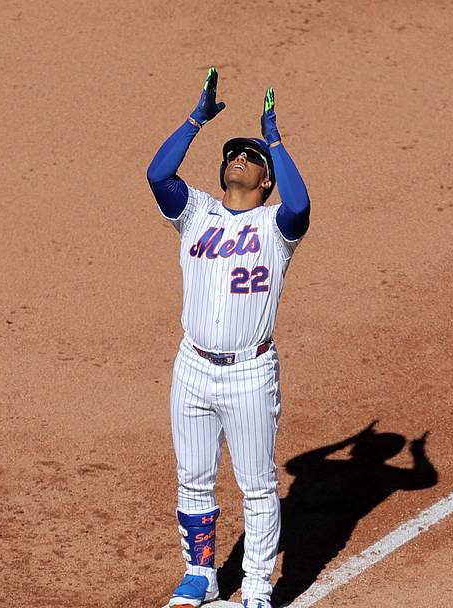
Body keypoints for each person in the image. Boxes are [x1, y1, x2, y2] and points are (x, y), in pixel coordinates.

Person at [146, 67, 311, 608]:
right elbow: (157, 174)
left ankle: (258, 587)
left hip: (249, 372)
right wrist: (196, 119)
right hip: (192, 365)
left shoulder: (276, 228)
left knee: (257, 485)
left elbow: (300, 206)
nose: (240, 157)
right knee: (193, 478)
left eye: (252, 157)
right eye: (234, 154)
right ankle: (200, 573)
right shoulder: (195, 213)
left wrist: (274, 141)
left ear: (266, 181)